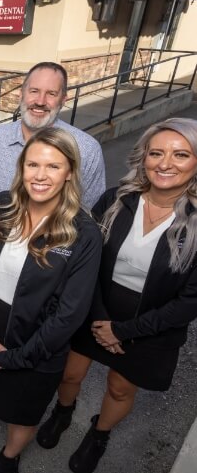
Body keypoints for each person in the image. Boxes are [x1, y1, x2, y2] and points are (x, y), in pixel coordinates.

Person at [36, 117, 197, 473]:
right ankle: (62, 413)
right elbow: (83, 263)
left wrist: (123, 332)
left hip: (151, 325)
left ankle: (99, 434)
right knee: (69, 375)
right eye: (156, 153)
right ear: (144, 158)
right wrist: (98, 318)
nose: (165, 163)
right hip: (96, 310)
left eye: (181, 154)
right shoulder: (115, 200)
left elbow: (189, 302)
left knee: (121, 389)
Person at [0, 128, 102, 473]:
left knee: (21, 414)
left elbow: (71, 313)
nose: (40, 175)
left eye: (53, 166)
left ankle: (9, 457)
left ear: (69, 173)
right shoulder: (1, 205)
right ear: (21, 167)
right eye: (32, 164)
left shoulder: (84, 232)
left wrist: (20, 356)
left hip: (39, 339)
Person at [0, 61, 106, 240]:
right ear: (21, 93)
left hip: (51, 257)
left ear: (63, 99)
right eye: (34, 91)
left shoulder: (86, 149)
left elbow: (90, 214)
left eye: (51, 93)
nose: (40, 101)